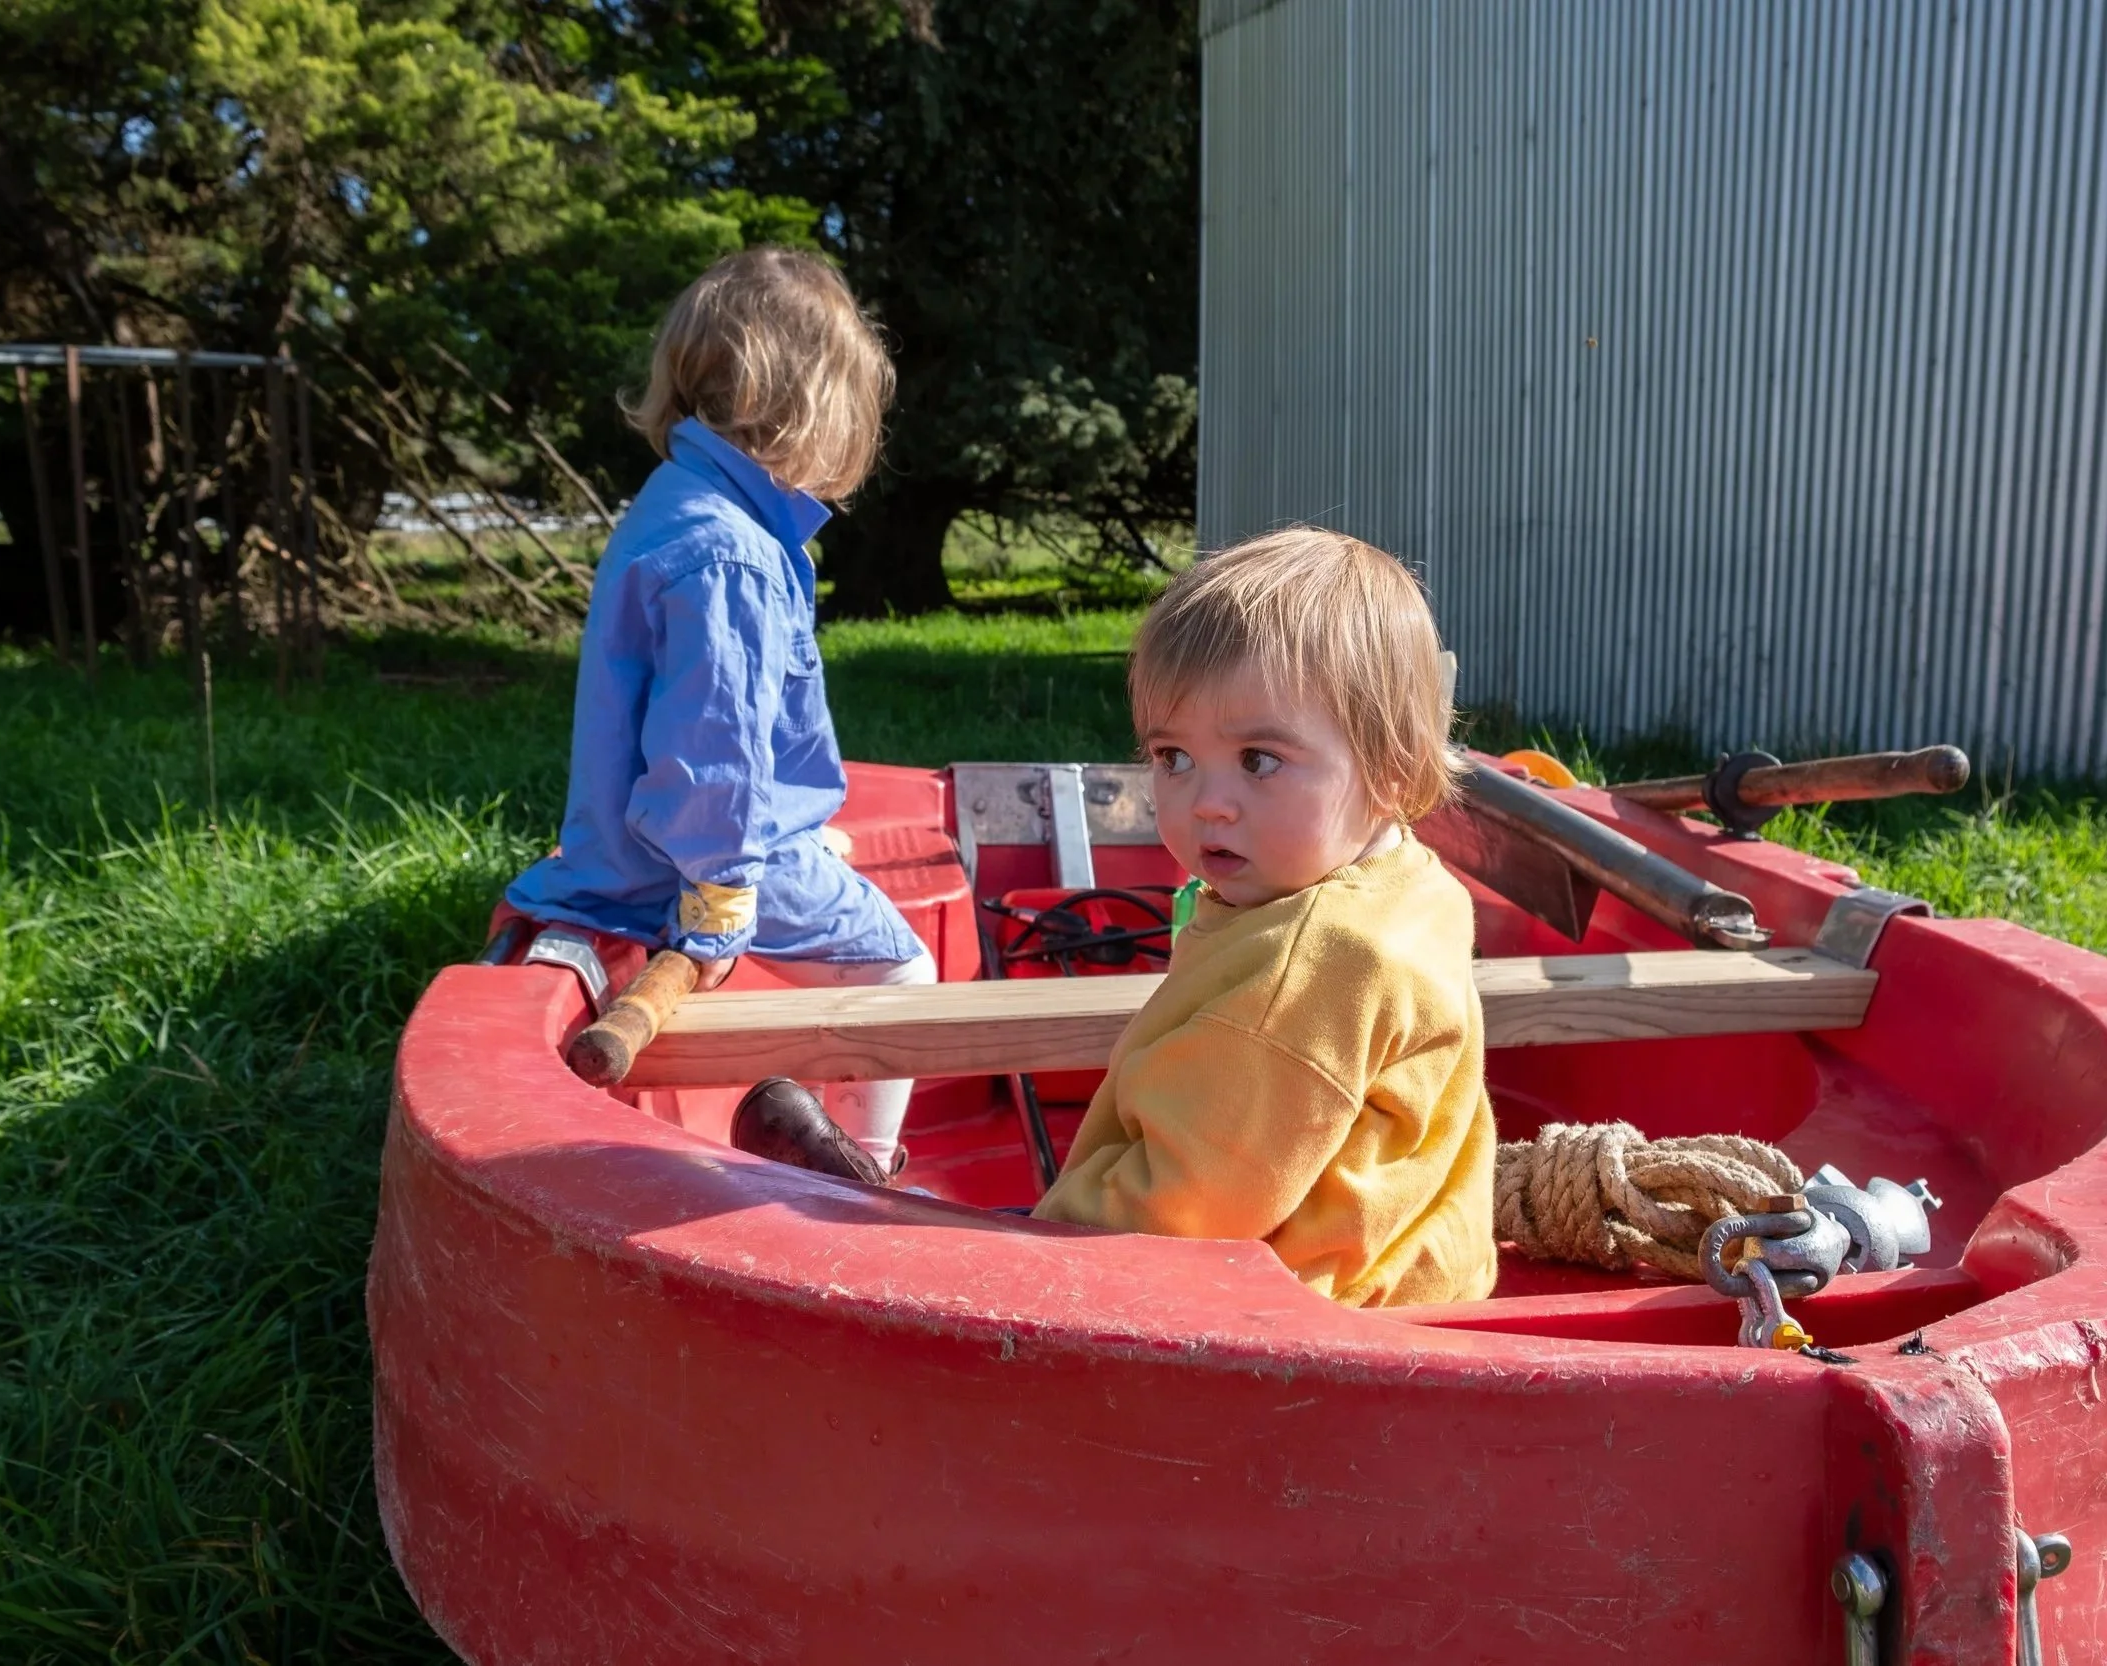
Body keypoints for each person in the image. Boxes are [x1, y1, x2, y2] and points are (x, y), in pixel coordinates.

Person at [504, 247, 934, 1180]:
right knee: (905, 974)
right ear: (814, 409)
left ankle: (817, 1127)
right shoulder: (734, 556)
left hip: (637, 843)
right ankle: (864, 1170)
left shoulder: (677, 504)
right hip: (697, 864)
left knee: (826, 858)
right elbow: (715, 756)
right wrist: (722, 895)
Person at [1028, 528, 1497, 1308]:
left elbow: (1184, 1211)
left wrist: (1034, 1235)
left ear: (1391, 767)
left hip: (1290, 1325)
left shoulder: (1314, 962)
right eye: (1172, 756)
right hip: (1415, 1281)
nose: (1205, 802)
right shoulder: (1410, 883)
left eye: (1259, 760)